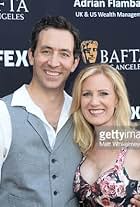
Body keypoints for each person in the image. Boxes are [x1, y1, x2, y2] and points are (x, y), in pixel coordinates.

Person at [0, 16, 82, 207]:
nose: (54, 62)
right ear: (31, 55)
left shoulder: (83, 113)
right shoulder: (3, 113)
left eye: (64, 54)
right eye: (46, 51)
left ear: (75, 62)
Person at [71, 63, 140, 206]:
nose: (94, 102)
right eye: (86, 94)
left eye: (103, 93)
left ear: (117, 100)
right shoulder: (81, 146)